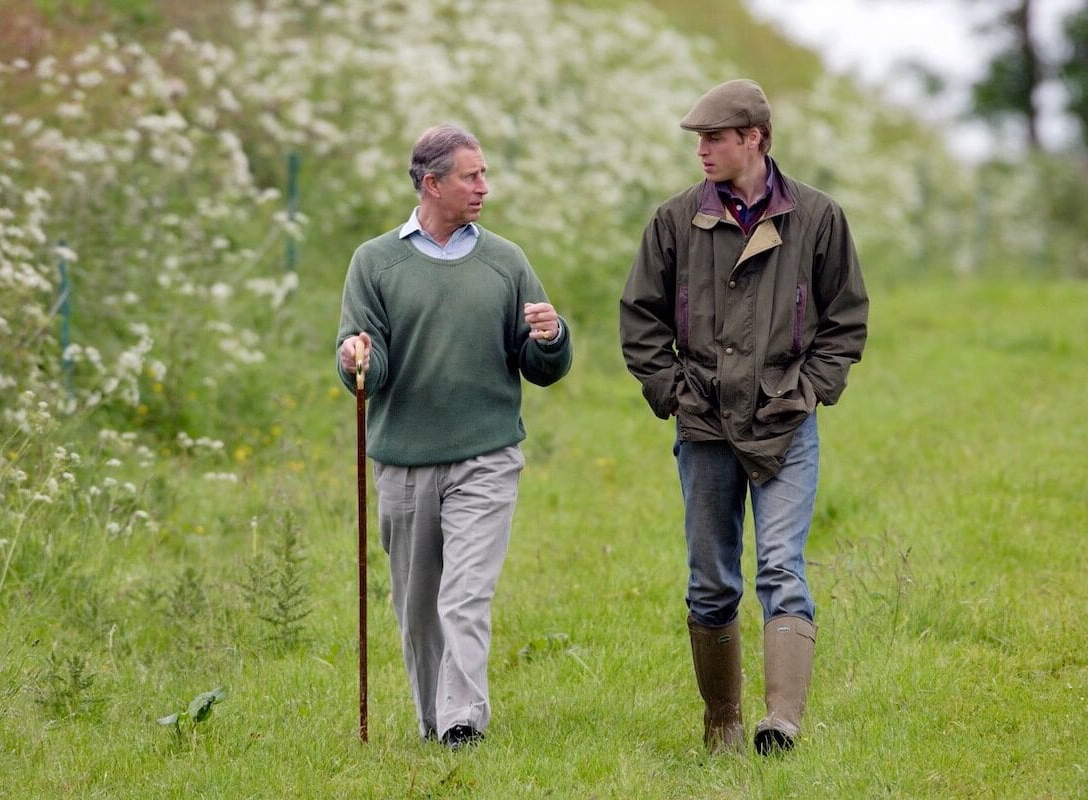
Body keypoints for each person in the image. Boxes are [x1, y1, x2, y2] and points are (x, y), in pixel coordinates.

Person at [619, 79, 868, 755]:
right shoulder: (673, 223)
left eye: (714, 139)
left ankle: (781, 723)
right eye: (698, 140)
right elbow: (639, 319)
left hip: (787, 423)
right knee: (710, 579)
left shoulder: (818, 219)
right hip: (702, 425)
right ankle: (722, 721)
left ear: (754, 139)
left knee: (782, 567)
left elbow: (846, 320)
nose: (701, 151)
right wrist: (674, 393)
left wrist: (811, 387)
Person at [336, 123, 572, 750]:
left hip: (487, 457)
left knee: (464, 594)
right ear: (432, 184)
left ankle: (462, 722)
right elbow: (369, 366)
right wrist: (356, 356)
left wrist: (550, 337)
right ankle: (432, 721)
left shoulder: (506, 262)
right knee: (418, 610)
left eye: (485, 174)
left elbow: (540, 367)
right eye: (472, 176)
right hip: (404, 461)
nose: (484, 188)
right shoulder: (375, 262)